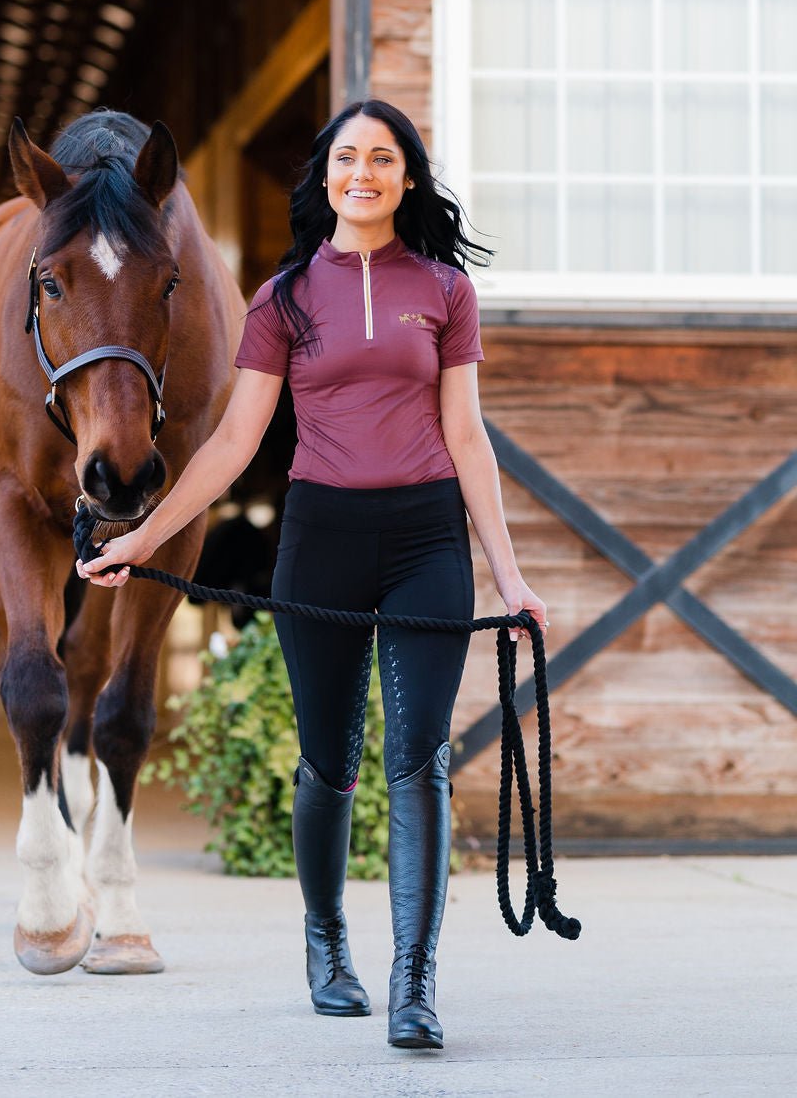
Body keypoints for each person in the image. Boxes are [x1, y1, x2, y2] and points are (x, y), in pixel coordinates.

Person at [78, 99, 547, 1051]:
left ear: (406, 177)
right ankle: (327, 943)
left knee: (418, 761)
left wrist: (510, 575)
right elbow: (233, 443)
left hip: (426, 541)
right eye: (347, 157)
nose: (362, 173)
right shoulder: (283, 298)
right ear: (326, 176)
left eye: (383, 158)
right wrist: (141, 537)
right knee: (329, 763)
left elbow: (467, 436)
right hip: (321, 538)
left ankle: (414, 981)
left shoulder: (444, 289)